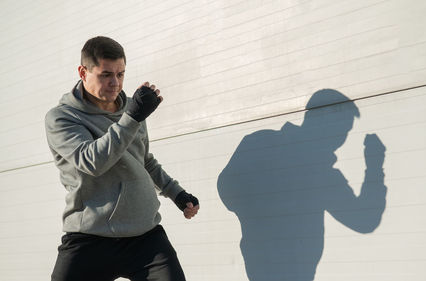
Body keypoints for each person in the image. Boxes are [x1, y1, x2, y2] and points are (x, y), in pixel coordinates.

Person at [45, 36, 199, 281]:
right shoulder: (62, 118)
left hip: (145, 237)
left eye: (121, 74)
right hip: (90, 238)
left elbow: (144, 160)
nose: (115, 83)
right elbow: (91, 161)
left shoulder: (132, 109)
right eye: (106, 74)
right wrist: (132, 118)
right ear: (83, 72)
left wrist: (176, 193)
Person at [217, 89, 387, 281]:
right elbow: (364, 219)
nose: (341, 139)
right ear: (317, 118)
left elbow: (363, 220)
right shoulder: (268, 145)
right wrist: (374, 166)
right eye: (341, 129)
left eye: (345, 132)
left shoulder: (319, 171)